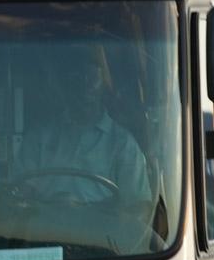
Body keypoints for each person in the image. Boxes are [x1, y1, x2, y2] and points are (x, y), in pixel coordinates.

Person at [16, 44, 151, 206]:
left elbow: (137, 208)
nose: (85, 86)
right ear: (67, 84)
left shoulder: (124, 145)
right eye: (77, 77)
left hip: (102, 230)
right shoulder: (40, 138)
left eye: (92, 77)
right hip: (42, 228)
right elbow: (20, 199)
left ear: (104, 85)